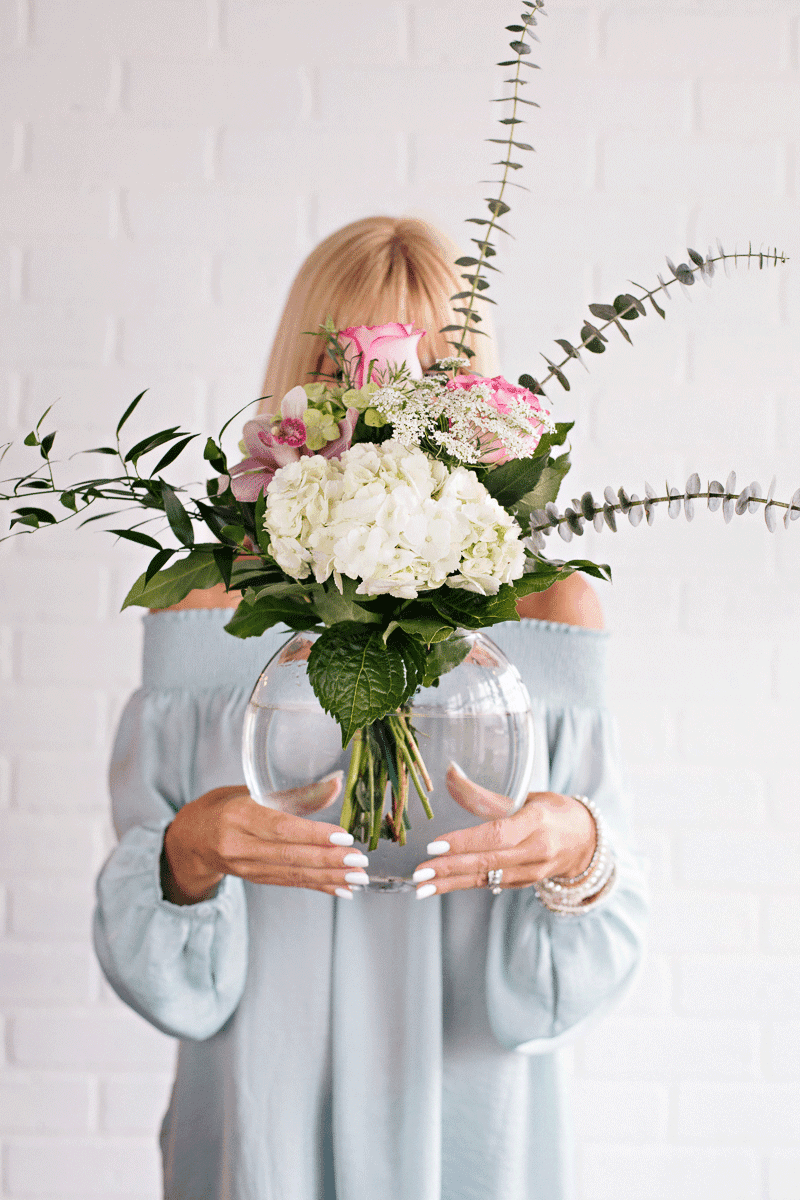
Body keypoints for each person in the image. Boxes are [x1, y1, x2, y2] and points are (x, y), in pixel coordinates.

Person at [93, 216, 648, 1200]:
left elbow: (561, 990)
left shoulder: (547, 611)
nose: (378, 401)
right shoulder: (206, 604)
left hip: (474, 1126)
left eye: (419, 366)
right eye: (341, 362)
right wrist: (188, 850)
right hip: (260, 1119)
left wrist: (576, 851)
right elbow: (171, 982)